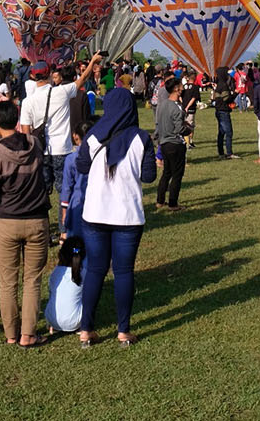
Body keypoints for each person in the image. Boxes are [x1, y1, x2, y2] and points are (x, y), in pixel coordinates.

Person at [75, 88, 157, 347]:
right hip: (127, 215)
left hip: (95, 212)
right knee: (123, 272)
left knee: (96, 270)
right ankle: (123, 330)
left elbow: (81, 166)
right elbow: (148, 177)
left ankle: (86, 329)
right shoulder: (141, 138)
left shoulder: (92, 137)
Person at [0, 100, 48, 347]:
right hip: (37, 220)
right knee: (32, 279)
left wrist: (0, 204)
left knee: (8, 281)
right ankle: (28, 334)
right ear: (16, 118)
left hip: (7, 221)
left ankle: (11, 334)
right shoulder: (35, 144)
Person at [21, 56, 101, 203]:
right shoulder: (62, 92)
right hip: (62, 148)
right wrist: (92, 61)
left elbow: (26, 131)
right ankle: (65, 220)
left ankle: (42, 222)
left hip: (41, 150)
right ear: (51, 74)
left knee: (42, 190)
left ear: (32, 76)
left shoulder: (27, 102)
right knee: (65, 190)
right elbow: (83, 78)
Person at [154, 78, 186, 211]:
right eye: (180, 86)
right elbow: (179, 129)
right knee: (177, 174)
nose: (183, 88)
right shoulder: (176, 108)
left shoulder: (161, 105)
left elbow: (158, 124)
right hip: (175, 143)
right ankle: (173, 203)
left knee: (166, 173)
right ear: (176, 89)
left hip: (164, 144)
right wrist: (188, 129)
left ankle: (160, 200)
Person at [45, 236, 85, 335]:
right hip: (75, 321)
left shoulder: (55, 272)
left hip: (52, 319)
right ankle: (84, 327)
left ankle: (54, 325)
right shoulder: (84, 273)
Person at [59, 122, 90, 240]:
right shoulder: (100, 156)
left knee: (75, 241)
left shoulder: (71, 159)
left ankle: (77, 254)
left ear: (75, 136)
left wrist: (64, 212)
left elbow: (66, 188)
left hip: (77, 203)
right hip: (96, 203)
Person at [211, 79, 236, 159]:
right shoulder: (224, 86)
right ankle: (229, 153)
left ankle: (221, 152)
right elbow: (226, 98)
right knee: (229, 132)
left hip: (219, 110)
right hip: (224, 111)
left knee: (221, 133)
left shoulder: (218, 86)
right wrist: (235, 94)